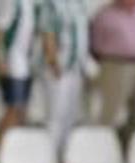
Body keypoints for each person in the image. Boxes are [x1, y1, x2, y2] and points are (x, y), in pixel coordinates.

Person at [89, 0, 135, 129]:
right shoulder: (105, 15)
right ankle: (105, 143)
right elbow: (94, 44)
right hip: (116, 65)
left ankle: (133, 144)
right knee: (111, 112)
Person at [40, 0, 90, 154]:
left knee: (70, 116)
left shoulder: (80, 4)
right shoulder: (51, 4)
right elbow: (48, 32)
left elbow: (83, 34)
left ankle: (65, 154)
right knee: (56, 115)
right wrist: (53, 60)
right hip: (59, 67)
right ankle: (50, 154)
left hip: (76, 67)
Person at [0, 0, 38, 145]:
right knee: (13, 109)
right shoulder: (11, 3)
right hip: (13, 63)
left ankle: (13, 147)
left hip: (25, 64)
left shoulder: (31, 4)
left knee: (21, 111)